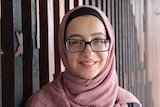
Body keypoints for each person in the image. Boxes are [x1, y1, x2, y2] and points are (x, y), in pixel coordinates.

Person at [25, 5, 142, 107]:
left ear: (110, 47)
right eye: (76, 42)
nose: (88, 53)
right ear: (63, 48)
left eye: (98, 41)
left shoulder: (129, 104)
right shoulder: (41, 103)